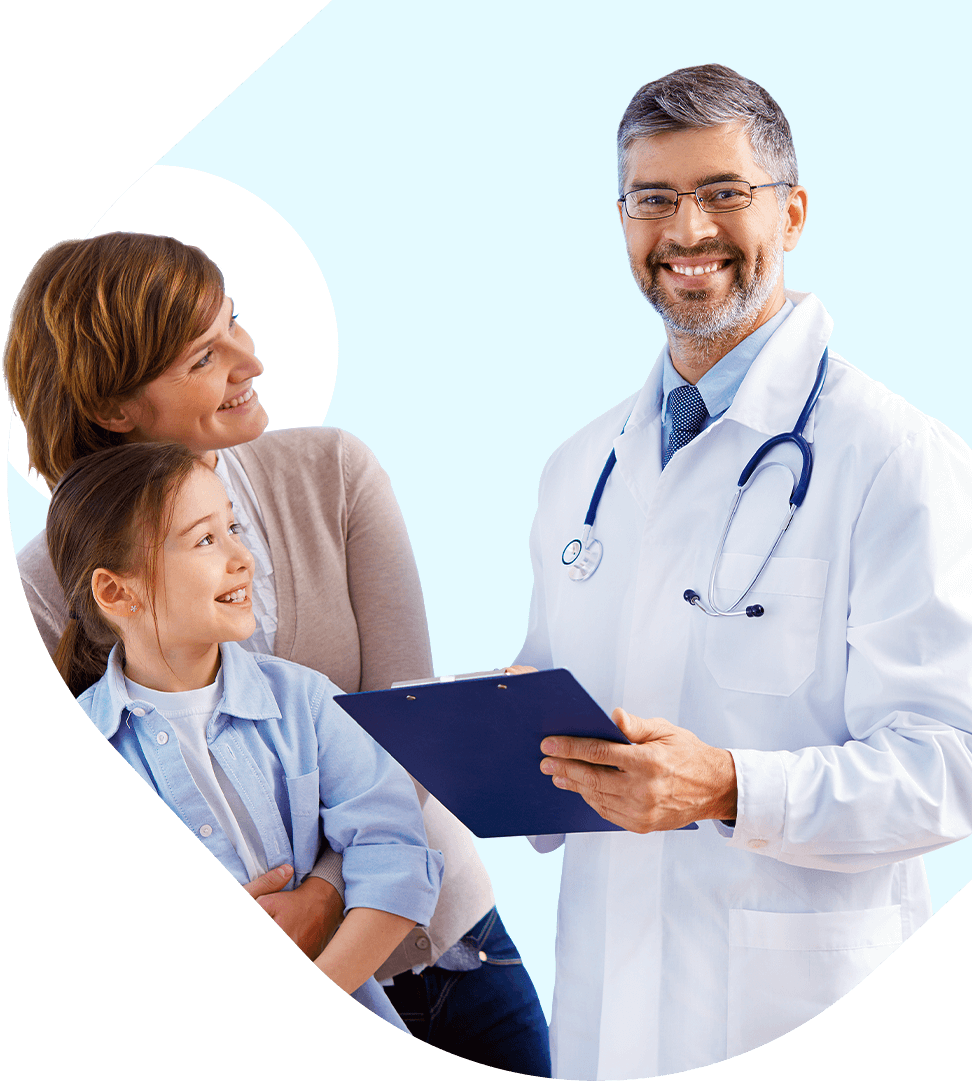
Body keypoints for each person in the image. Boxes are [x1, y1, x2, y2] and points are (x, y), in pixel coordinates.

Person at [515, 64, 972, 1079]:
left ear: (792, 212)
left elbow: (952, 764)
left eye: (723, 192)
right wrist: (491, 738)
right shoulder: (580, 469)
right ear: (622, 221)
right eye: (654, 199)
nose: (688, 231)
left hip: (790, 995)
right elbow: (556, 696)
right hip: (602, 1015)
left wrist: (730, 787)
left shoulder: (894, 458)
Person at [6, 232, 550, 1074]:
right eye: (204, 355)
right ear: (115, 408)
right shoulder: (55, 584)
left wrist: (323, 894)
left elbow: (404, 733)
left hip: (450, 952)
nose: (251, 360)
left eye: (234, 322)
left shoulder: (333, 473)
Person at [49, 440, 445, 1028]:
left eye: (233, 528)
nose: (243, 557)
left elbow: (395, 854)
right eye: (205, 540)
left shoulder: (305, 700)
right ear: (115, 592)